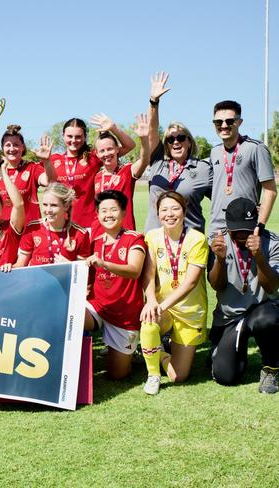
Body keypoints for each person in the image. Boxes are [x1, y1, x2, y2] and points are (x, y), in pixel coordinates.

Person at [140, 191, 208, 395]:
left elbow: (190, 283)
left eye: (175, 208)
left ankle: (158, 351)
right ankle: (153, 375)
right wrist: (152, 301)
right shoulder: (152, 237)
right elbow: (148, 275)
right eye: (164, 209)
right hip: (164, 309)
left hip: (189, 312)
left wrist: (161, 305)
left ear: (184, 211)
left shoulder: (197, 239)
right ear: (158, 213)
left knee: (178, 377)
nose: (170, 214)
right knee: (149, 320)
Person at [208, 198, 279, 394]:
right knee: (226, 376)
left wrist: (259, 256)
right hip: (231, 316)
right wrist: (220, 260)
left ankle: (271, 368)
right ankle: (231, 350)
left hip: (262, 309)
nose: (242, 235)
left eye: (247, 229)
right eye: (237, 230)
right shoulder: (217, 241)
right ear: (228, 226)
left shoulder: (272, 241)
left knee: (267, 319)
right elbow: (216, 285)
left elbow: (272, 286)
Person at [85, 190, 147, 379]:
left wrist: (105, 264)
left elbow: (135, 270)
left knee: (117, 375)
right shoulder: (94, 242)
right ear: (97, 214)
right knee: (70, 315)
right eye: (103, 210)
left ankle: (135, 353)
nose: (108, 214)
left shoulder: (134, 238)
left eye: (113, 210)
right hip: (98, 306)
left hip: (124, 314)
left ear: (123, 213)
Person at [145, 71, 212, 233]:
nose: (176, 142)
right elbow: (152, 131)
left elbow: (221, 198)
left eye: (181, 138)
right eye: (170, 139)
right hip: (156, 241)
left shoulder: (202, 169)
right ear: (166, 145)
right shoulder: (157, 162)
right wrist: (154, 102)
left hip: (189, 241)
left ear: (189, 142)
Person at [51, 115, 135, 228]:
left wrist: (114, 128)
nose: (73, 140)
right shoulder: (53, 160)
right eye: (69, 136)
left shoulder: (93, 157)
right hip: (62, 223)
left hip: (89, 225)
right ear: (63, 136)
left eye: (78, 136)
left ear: (85, 137)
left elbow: (130, 146)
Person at [209, 100, 277, 236]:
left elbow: (270, 190)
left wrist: (261, 224)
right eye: (218, 122)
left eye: (229, 121)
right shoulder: (214, 152)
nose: (223, 126)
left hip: (244, 225)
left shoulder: (256, 148)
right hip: (216, 228)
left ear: (239, 122)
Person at [91, 113, 151, 236]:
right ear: (97, 154)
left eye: (110, 149)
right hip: (100, 235)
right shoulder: (96, 176)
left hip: (125, 235)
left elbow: (145, 160)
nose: (106, 153)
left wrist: (144, 139)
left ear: (118, 149)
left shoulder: (127, 170)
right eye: (102, 151)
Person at [0, 125, 56, 224]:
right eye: (8, 145)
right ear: (2, 148)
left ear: (23, 147)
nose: (12, 148)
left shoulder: (32, 168)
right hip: (1, 230)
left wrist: (47, 161)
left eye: (16, 145)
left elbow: (51, 182)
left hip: (29, 230)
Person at [14, 183, 91, 267]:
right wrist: (9, 267)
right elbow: (21, 264)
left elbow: (82, 271)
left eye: (54, 205)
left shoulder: (80, 234)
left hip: (63, 280)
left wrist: (68, 266)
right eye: (45, 205)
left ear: (66, 206)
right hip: (37, 279)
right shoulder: (32, 228)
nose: (48, 210)